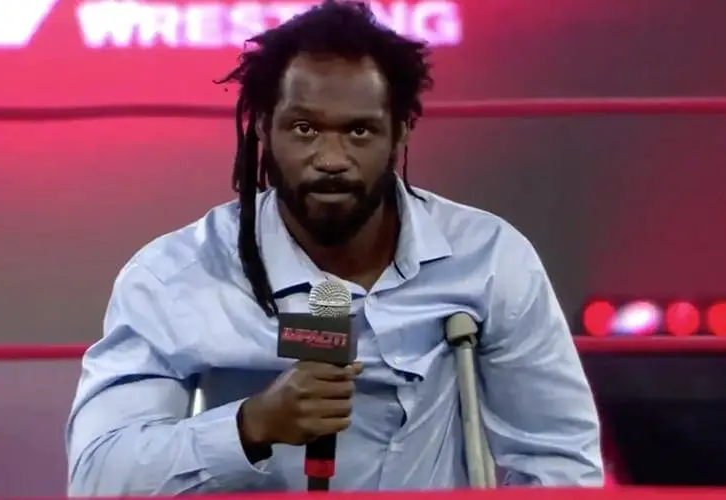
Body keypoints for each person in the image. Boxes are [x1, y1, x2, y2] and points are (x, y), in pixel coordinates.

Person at [65, 1, 603, 494]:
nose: (331, 159)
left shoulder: (488, 259)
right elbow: (98, 477)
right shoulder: (174, 275)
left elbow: (558, 461)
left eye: (360, 132)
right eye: (303, 129)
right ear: (263, 130)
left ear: (401, 132)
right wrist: (253, 424)